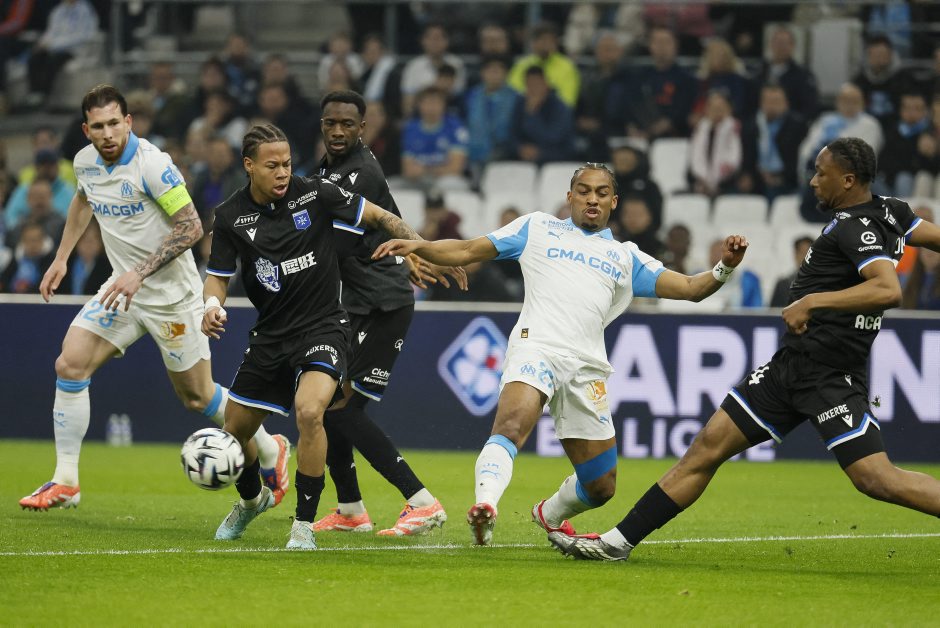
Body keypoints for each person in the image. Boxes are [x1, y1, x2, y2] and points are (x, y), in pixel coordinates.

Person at [548, 137, 940, 561]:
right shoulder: (892, 211)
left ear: (847, 180)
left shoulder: (856, 227)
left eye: (820, 173)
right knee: (706, 448)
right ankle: (615, 543)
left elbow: (886, 289)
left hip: (829, 376)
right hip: (789, 368)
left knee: (875, 479)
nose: (812, 181)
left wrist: (811, 301)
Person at [372, 163, 748, 545]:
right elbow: (469, 248)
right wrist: (420, 246)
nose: (592, 199)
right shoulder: (537, 227)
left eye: (601, 193)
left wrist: (725, 267)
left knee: (601, 485)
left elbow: (691, 288)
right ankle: (486, 506)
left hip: (586, 368)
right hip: (536, 347)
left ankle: (548, 514)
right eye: (584, 191)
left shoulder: (626, 257)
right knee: (511, 426)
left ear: (614, 202)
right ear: (570, 197)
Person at [18, 85, 289, 511]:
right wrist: (62, 257)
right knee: (70, 363)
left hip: (172, 298)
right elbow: (83, 200)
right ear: (86, 130)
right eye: (98, 126)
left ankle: (270, 446)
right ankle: (66, 481)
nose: (108, 134)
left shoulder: (153, 165)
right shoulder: (85, 163)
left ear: (128, 122)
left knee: (197, 397)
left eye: (115, 123)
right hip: (122, 291)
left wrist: (139, 273)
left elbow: (191, 226)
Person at [203, 123, 436, 550]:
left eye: (287, 163)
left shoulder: (316, 193)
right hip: (270, 336)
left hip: (324, 326)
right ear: (249, 165)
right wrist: (211, 306)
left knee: (311, 412)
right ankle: (252, 501)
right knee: (234, 432)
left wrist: (422, 246)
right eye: (272, 165)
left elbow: (379, 216)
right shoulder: (230, 216)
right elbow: (218, 277)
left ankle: (303, 525)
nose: (282, 173)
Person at [310, 91, 452, 536]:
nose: (337, 131)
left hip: (383, 304)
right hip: (359, 303)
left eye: (346, 124)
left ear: (362, 128)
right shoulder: (329, 170)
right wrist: (410, 251)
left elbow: (336, 244)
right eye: (330, 123)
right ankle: (351, 510)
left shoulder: (360, 172)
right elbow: (387, 214)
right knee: (327, 407)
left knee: (342, 411)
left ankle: (422, 501)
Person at [769, 235, 813, 308]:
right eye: (802, 253)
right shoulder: (783, 285)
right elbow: (774, 312)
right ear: (795, 254)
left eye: (809, 254)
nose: (805, 257)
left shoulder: (824, 284)